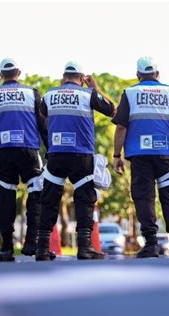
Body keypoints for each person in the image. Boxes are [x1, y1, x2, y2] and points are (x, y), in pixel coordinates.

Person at [112, 57, 169, 258]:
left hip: (139, 156)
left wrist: (116, 155)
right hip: (165, 154)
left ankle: (151, 245)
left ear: (138, 75)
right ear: (157, 74)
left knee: (144, 197)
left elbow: (121, 126)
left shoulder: (130, 93)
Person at [36, 61, 115, 260]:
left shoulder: (49, 95)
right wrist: (94, 88)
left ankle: (42, 248)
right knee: (85, 200)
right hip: (81, 155)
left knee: (50, 200)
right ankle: (84, 247)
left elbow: (42, 116)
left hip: (56, 154)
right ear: (81, 78)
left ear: (64, 77)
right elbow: (112, 110)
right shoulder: (88, 94)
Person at [0, 58, 47, 262]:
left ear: (0, 75)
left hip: (4, 153)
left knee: (5, 197)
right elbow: (44, 125)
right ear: (19, 72)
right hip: (29, 152)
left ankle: (6, 248)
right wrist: (51, 150)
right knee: (37, 194)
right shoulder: (32, 93)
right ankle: (32, 242)